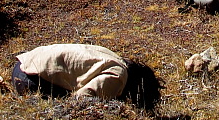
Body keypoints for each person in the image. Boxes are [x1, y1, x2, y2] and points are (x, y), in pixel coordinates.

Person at [11, 43, 161, 110]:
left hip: (24, 63)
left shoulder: (115, 59)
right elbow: (82, 100)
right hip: (29, 78)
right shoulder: (118, 76)